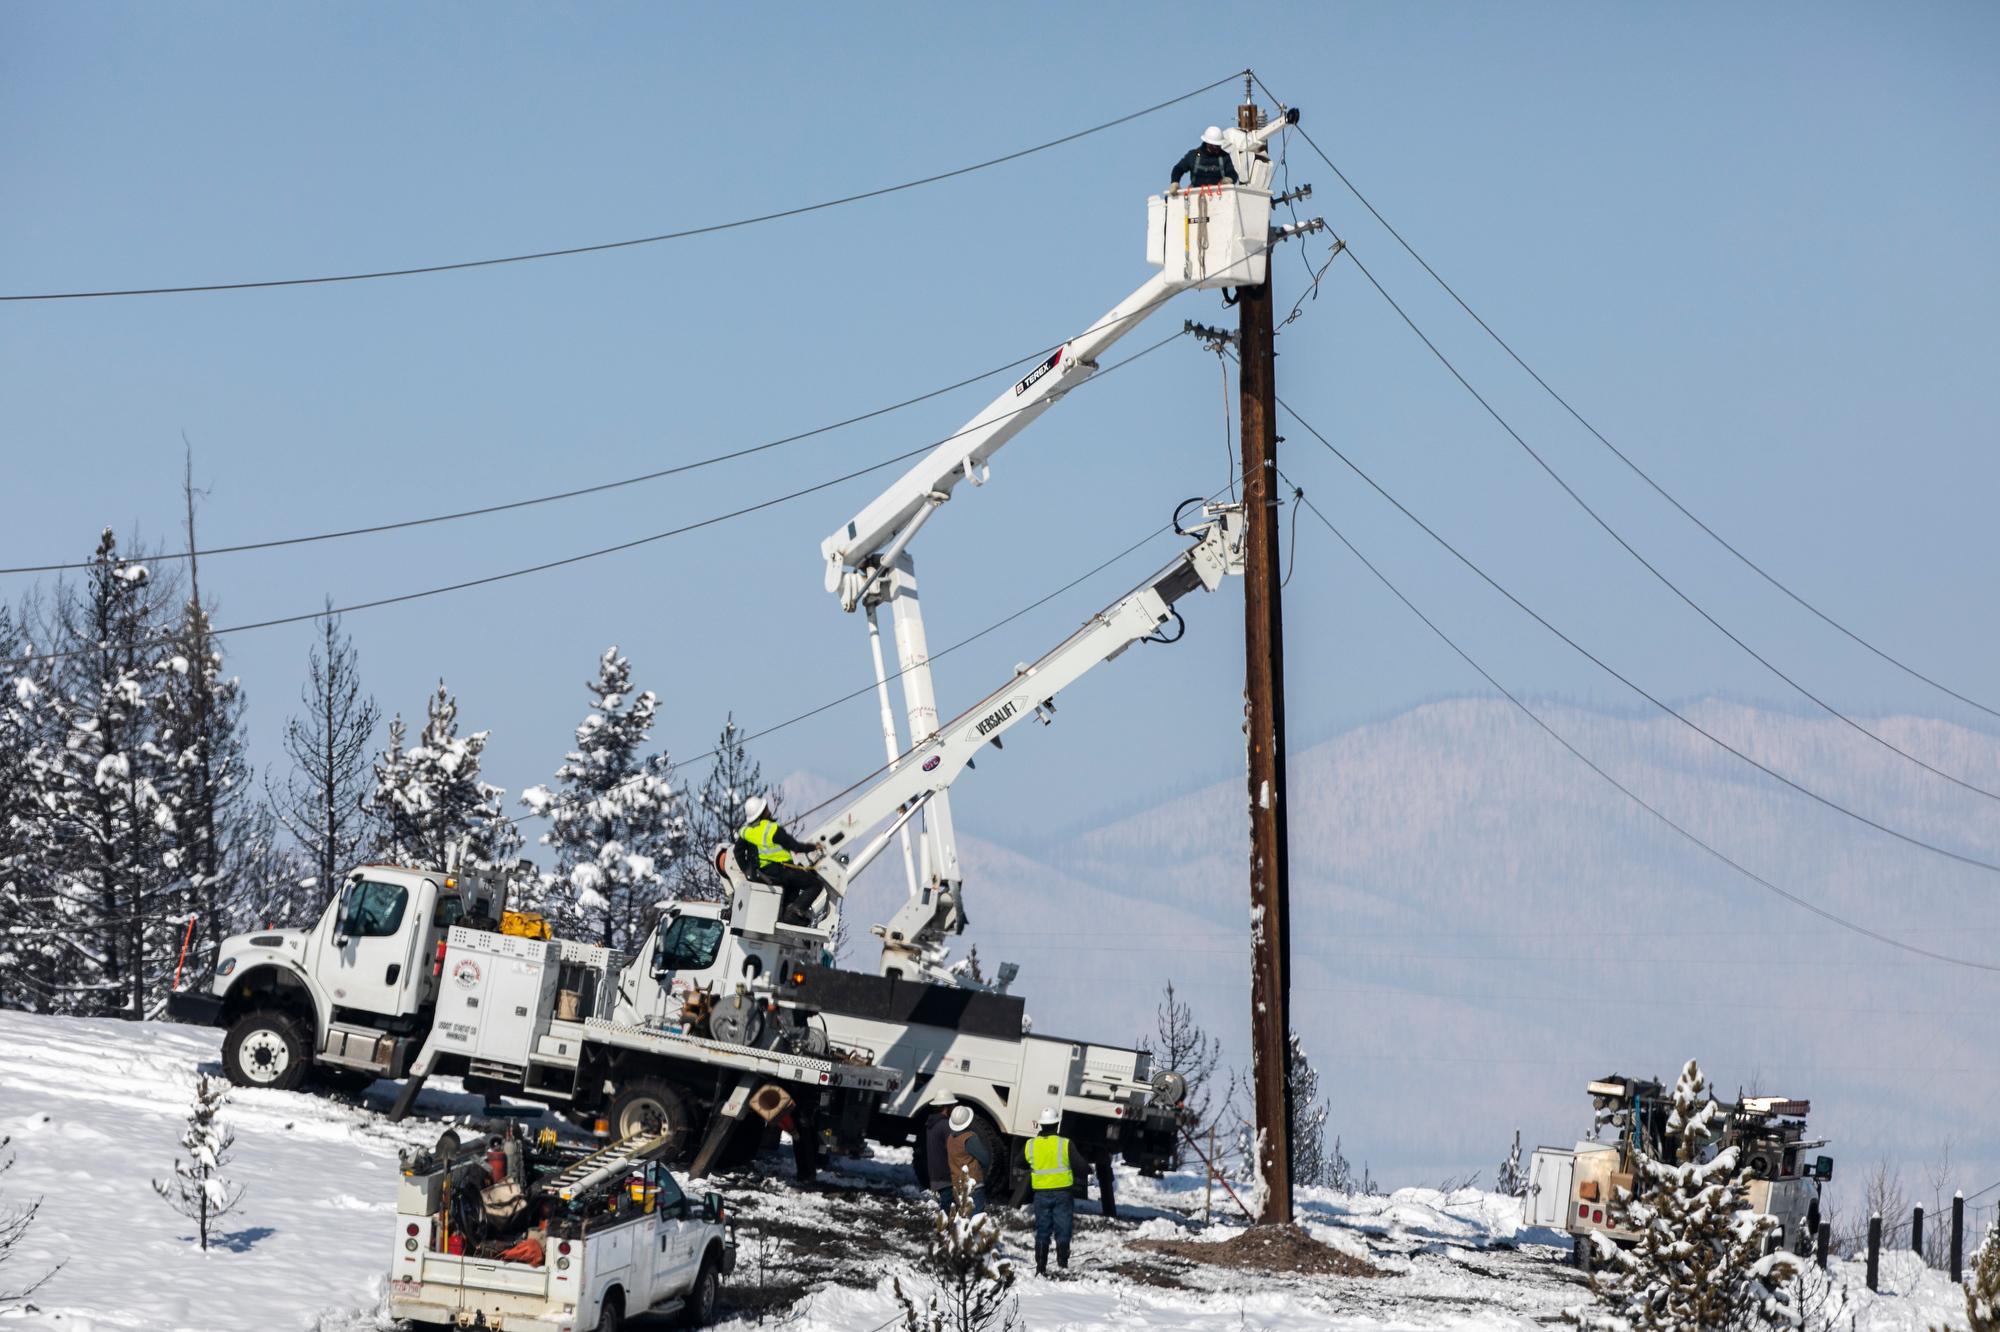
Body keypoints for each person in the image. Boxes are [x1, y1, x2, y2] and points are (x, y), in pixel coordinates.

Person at [734, 796, 823, 925]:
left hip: (763, 875)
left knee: (794, 885)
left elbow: (738, 853)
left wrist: (748, 872)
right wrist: (814, 847)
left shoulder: (746, 832)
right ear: (764, 811)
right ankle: (794, 912)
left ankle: (787, 911)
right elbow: (796, 847)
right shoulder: (772, 829)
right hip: (782, 871)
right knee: (814, 884)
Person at [1024, 1106, 1076, 1275]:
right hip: (1062, 1193)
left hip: (1041, 1194)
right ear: (1056, 1124)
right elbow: (1081, 1165)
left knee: (1043, 1229)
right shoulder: (1065, 1144)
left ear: (1041, 1125)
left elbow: (1019, 1162)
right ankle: (1062, 1265)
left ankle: (1040, 1267)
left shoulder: (1031, 1145)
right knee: (1063, 1227)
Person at [944, 1104, 991, 1215]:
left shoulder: (950, 1138)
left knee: (960, 1218)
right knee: (975, 1217)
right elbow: (985, 1158)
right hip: (972, 1184)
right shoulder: (970, 1138)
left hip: (956, 1183)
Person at [1167, 126, 1238, 190]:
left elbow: (1232, 173)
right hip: (1196, 195)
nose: (1218, 148)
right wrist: (1175, 182)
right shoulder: (1194, 155)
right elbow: (1178, 169)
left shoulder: (1224, 157)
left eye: (1219, 145)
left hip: (1218, 196)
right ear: (1208, 144)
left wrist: (1229, 179)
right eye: (1215, 146)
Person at [924, 1096, 958, 1211]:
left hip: (936, 1174)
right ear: (946, 1108)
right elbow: (954, 1148)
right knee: (948, 1209)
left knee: (945, 1207)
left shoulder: (931, 1124)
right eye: (952, 1106)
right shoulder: (945, 1125)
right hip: (946, 1175)